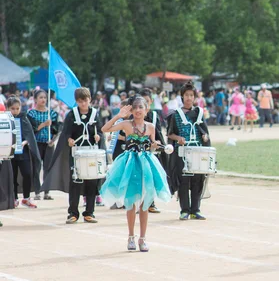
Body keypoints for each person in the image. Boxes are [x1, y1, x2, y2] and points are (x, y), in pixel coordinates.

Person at [101, 96, 171, 252]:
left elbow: (153, 147)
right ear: (131, 110)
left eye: (141, 107)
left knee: (145, 204)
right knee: (131, 203)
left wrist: (154, 145)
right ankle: (131, 236)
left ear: (146, 110)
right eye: (135, 107)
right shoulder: (126, 125)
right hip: (130, 165)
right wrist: (119, 116)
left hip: (146, 165)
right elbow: (104, 129)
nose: (138, 110)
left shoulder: (151, 127)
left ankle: (143, 238)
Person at [41, 87, 105, 224]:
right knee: (75, 182)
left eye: (85, 100)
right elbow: (66, 133)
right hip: (76, 153)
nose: (83, 104)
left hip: (92, 152)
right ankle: (73, 213)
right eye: (80, 101)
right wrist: (69, 140)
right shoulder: (72, 114)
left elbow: (100, 131)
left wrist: (98, 137)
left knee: (92, 182)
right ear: (76, 101)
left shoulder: (95, 114)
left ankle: (89, 212)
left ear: (90, 100)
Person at [168, 81, 211, 220]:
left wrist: (205, 136)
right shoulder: (176, 114)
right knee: (184, 180)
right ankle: (184, 210)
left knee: (198, 180)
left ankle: (195, 210)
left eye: (191, 95)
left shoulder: (199, 112)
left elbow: (204, 130)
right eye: (186, 95)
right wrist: (178, 138)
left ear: (194, 97)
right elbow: (169, 134)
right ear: (182, 97)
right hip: (183, 152)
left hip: (197, 151)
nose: (189, 98)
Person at [7, 97, 42, 209]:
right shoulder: (5, 119)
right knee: (13, 176)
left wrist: (25, 142)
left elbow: (30, 135)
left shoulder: (24, 118)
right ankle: (14, 198)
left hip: (23, 152)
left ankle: (26, 198)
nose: (15, 111)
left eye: (17, 108)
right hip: (10, 153)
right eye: (12, 108)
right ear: (8, 108)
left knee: (27, 174)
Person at [27, 89, 59, 201]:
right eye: (40, 97)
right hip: (36, 144)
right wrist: (44, 124)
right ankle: (37, 191)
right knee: (36, 167)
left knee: (48, 167)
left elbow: (56, 129)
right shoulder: (31, 113)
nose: (43, 100)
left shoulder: (52, 113)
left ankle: (46, 191)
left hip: (48, 144)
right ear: (35, 99)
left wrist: (53, 140)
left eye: (45, 97)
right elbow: (32, 129)